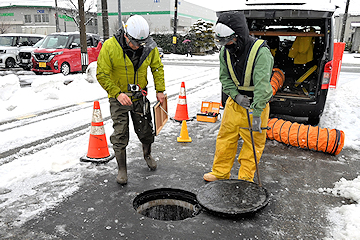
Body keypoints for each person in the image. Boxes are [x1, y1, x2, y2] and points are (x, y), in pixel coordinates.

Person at [203, 11, 273, 183]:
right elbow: (224, 78)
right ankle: (220, 172)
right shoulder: (225, 52)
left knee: (253, 144)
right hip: (235, 103)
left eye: (229, 40)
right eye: (222, 41)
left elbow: (263, 86)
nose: (226, 45)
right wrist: (235, 96)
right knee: (225, 138)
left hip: (257, 104)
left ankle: (245, 177)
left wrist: (257, 113)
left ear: (239, 35)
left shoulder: (260, 52)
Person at [97, 15, 166, 185]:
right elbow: (101, 74)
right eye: (135, 43)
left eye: (141, 43)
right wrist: (117, 93)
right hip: (119, 98)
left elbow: (157, 67)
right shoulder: (110, 47)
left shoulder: (148, 46)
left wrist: (160, 90)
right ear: (126, 35)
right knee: (120, 133)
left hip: (139, 97)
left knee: (146, 131)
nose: (138, 47)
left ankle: (147, 154)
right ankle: (122, 169)